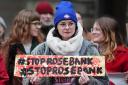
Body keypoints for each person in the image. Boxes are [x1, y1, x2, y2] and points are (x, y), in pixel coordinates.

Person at [30, 0, 109, 85]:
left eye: (71, 23)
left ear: (76, 25)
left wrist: (89, 82)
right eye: (63, 24)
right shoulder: (41, 49)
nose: (67, 27)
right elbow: (26, 79)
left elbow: (104, 82)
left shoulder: (90, 49)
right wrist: (34, 82)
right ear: (56, 27)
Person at [2, 9, 44, 85]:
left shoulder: (42, 46)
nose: (38, 27)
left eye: (39, 24)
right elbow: (3, 74)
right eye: (35, 24)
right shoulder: (9, 46)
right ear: (24, 24)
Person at [91, 16, 128, 85]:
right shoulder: (89, 51)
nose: (93, 32)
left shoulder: (124, 54)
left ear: (109, 32)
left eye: (97, 29)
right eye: (92, 29)